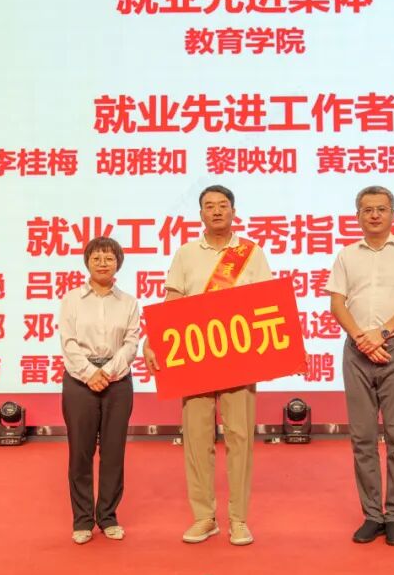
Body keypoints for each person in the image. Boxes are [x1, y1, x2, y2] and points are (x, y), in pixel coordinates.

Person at [144, 184, 273, 546]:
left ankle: (239, 519)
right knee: (197, 438)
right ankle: (204, 517)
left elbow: (267, 301)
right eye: (209, 206)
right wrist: (152, 340)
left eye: (222, 205)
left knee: (240, 438)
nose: (216, 211)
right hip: (194, 357)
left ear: (234, 211)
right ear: (200, 213)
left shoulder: (251, 253)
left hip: (240, 357)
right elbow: (172, 300)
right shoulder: (186, 253)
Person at [327, 186, 394, 547]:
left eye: (382, 209)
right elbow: (337, 304)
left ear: (392, 214)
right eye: (367, 209)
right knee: (363, 438)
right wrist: (361, 338)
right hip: (357, 351)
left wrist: (381, 333)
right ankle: (372, 515)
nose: (374, 215)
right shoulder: (346, 255)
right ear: (357, 215)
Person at [59, 236, 140, 545]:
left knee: (113, 452)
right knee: (80, 452)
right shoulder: (72, 299)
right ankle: (82, 520)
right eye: (97, 258)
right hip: (79, 382)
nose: (103, 263)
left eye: (109, 258)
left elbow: (131, 343)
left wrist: (108, 372)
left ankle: (108, 516)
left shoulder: (128, 302)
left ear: (118, 263)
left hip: (118, 383)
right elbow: (68, 342)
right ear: (87, 263)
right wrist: (90, 373)